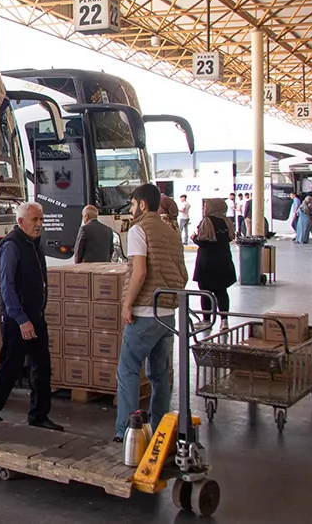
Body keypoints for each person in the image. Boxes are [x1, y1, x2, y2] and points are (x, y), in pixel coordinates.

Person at [0, 202, 62, 431]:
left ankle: (38, 415)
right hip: (17, 319)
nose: (39, 225)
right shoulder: (11, 246)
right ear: (21, 222)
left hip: (35, 315)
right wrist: (21, 318)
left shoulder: (34, 244)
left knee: (42, 367)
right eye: (35, 220)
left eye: (41, 220)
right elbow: (7, 287)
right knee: (11, 367)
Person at [114, 184, 188, 442]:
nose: (131, 210)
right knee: (159, 376)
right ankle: (158, 431)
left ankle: (127, 431)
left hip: (145, 310)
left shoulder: (139, 229)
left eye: (133, 205)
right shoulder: (171, 232)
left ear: (142, 205)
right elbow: (182, 273)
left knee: (128, 370)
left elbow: (140, 271)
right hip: (167, 313)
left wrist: (127, 304)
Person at [192, 198, 236, 325]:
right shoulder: (227, 221)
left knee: (205, 292)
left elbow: (204, 242)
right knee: (221, 291)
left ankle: (206, 320)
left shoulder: (207, 222)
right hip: (224, 259)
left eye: (206, 206)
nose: (204, 208)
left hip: (207, 262)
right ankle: (224, 320)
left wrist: (194, 238)